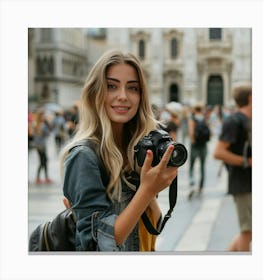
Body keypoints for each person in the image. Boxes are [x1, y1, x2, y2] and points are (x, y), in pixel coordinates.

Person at [60, 50, 178, 251]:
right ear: (95, 92)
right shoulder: (84, 157)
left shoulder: (136, 149)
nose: (123, 96)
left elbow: (155, 224)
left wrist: (151, 185)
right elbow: (97, 246)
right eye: (111, 86)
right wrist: (147, 189)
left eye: (133, 88)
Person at [213, 84, 252, 251]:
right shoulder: (233, 121)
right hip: (242, 182)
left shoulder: (247, 120)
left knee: (249, 230)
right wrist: (247, 161)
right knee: (247, 231)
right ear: (250, 98)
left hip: (249, 181)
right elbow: (218, 152)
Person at [188, 103, 209, 199]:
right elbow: (209, 132)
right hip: (203, 145)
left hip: (195, 146)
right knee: (202, 167)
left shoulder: (192, 119)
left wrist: (193, 141)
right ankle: (201, 187)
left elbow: (191, 132)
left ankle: (192, 183)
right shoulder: (205, 118)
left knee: (191, 166)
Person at [33, 108, 53, 184]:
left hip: (38, 146)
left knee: (43, 161)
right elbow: (48, 133)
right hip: (42, 146)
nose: (44, 116)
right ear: (40, 116)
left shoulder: (35, 124)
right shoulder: (43, 125)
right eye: (43, 115)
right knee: (43, 162)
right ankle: (43, 177)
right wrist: (47, 123)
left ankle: (41, 177)